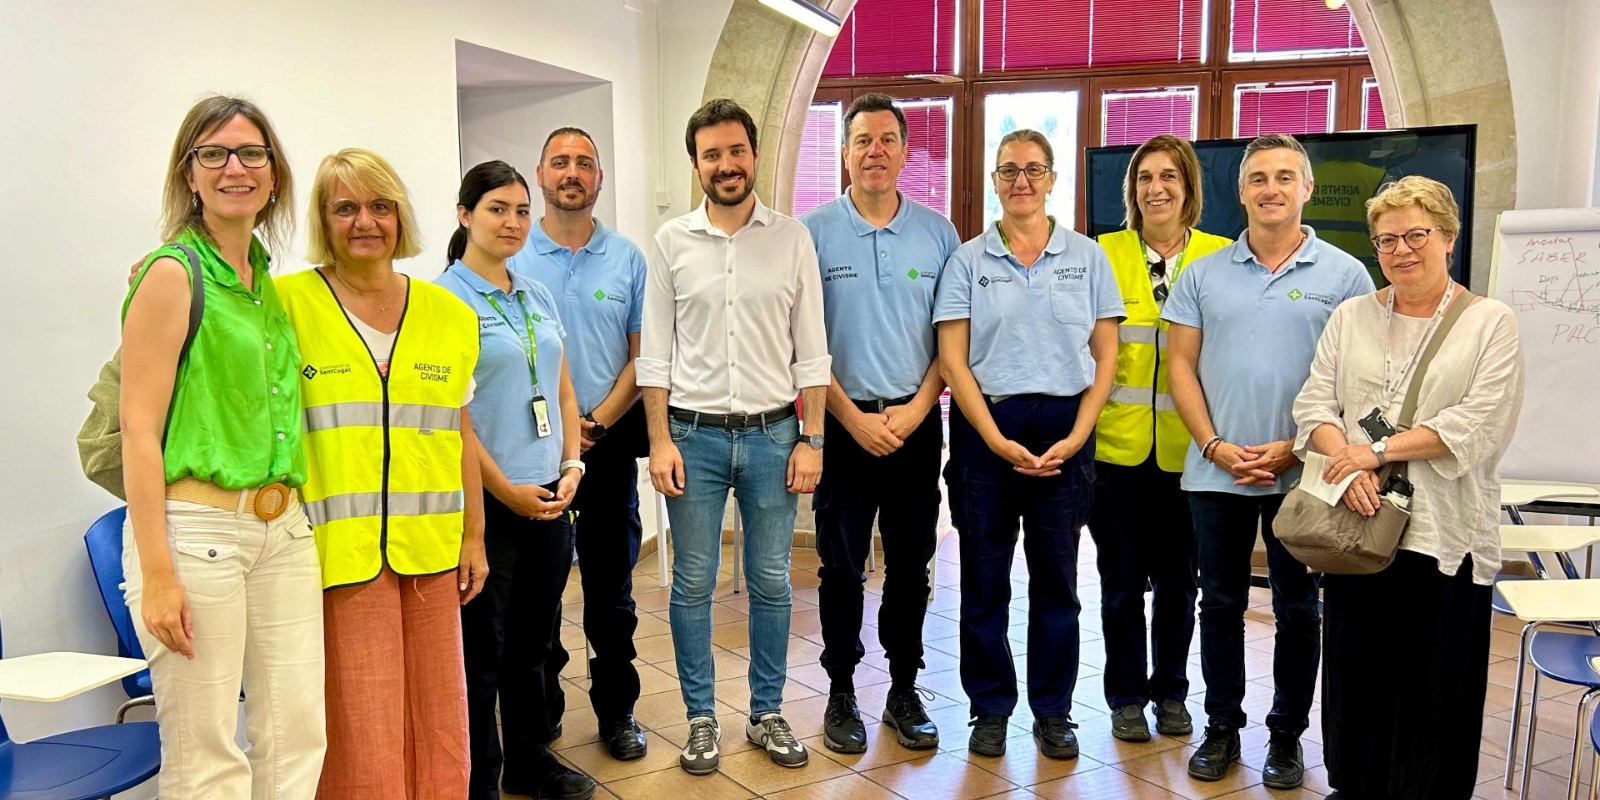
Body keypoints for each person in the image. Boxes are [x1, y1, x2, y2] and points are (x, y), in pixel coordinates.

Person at [119, 95, 325, 799]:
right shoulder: (172, 273)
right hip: (196, 533)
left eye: (251, 154)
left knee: (298, 735)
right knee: (207, 751)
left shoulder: (266, 283)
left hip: (285, 531)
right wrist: (156, 574)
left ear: (273, 174)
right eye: (215, 153)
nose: (235, 167)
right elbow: (139, 432)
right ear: (190, 174)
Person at [1292, 176, 1523, 800]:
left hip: (1442, 536)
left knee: (1435, 686)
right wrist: (1348, 459)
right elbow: (1314, 401)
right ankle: (1355, 787)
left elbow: (1476, 422)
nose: (1401, 250)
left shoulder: (1489, 322)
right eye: (1386, 239)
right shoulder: (1352, 316)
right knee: (1355, 677)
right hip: (1357, 527)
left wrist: (1377, 450)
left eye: (1417, 234)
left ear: (1448, 236)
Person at [1162, 133, 1374, 789]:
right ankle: (1222, 727)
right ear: (1242, 190)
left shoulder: (1346, 275)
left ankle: (1286, 737)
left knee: (1299, 609)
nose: (1271, 188)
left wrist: (1297, 446)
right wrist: (1214, 446)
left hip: (1307, 477)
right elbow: (1181, 366)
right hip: (1214, 473)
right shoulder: (1202, 274)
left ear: (1306, 189)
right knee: (1219, 604)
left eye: (1285, 176)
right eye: (1258, 177)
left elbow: (1362, 386)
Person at [276, 148, 486, 800]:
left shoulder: (449, 314)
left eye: (379, 206)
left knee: (442, 722)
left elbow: (459, 432)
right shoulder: (286, 306)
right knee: (361, 730)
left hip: (431, 554)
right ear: (323, 220)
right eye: (346, 208)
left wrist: (474, 536)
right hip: (338, 558)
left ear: (400, 216)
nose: (365, 221)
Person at [638, 98, 830, 775]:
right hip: (692, 438)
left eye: (736, 151)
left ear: (755, 155)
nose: (726, 164)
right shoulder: (670, 243)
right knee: (692, 584)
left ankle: (768, 712)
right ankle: (699, 719)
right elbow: (654, 356)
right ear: (696, 164)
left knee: (772, 582)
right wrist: (659, 441)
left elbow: (813, 352)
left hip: (776, 437)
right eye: (712, 154)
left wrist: (813, 440)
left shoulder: (792, 238)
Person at [934, 129, 1123, 761]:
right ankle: (989, 708)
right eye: (1009, 170)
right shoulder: (967, 260)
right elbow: (953, 362)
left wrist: (1076, 436)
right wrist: (994, 438)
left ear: (1051, 179)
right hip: (986, 434)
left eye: (1034, 170)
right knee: (984, 582)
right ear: (994, 180)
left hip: (1066, 432)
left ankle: (1053, 711)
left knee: (1058, 584)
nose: (1022, 180)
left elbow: (1106, 355)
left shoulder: (1088, 257)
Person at [800, 93, 959, 756]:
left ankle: (902, 687)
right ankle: (840, 690)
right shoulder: (812, 233)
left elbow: (952, 343)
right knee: (839, 567)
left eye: (887, 139)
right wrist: (851, 418)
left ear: (903, 150)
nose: (875, 151)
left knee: (910, 565)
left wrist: (918, 409)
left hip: (916, 424)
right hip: (843, 426)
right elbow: (803, 343)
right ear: (844, 151)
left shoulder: (938, 233)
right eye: (862, 139)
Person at [435, 161, 595, 800]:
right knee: (485, 654)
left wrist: (573, 462)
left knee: (536, 640)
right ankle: (482, 777)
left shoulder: (536, 293)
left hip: (552, 494)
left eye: (522, 211)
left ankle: (531, 762)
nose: (512, 222)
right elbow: (452, 417)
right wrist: (505, 492)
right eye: (498, 208)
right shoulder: (443, 302)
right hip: (487, 503)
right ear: (465, 214)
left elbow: (559, 382)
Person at [508, 128, 650, 761]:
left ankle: (617, 711)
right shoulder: (510, 254)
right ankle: (545, 708)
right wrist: (565, 437)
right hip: (529, 451)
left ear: (600, 178)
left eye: (584, 164)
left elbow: (643, 357)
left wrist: (592, 425)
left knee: (610, 591)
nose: (572, 172)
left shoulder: (628, 260)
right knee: (538, 592)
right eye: (560, 162)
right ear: (540, 174)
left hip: (607, 443)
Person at [1090, 135, 1231, 743]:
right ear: (1132, 190)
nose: (1157, 188)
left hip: (1192, 454)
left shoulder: (1223, 255)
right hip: (1115, 452)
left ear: (1189, 187)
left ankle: (1171, 692)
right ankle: (1125, 696)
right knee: (1120, 582)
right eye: (1145, 177)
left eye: (1169, 176)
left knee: (1179, 583)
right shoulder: (1102, 252)